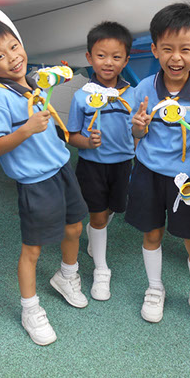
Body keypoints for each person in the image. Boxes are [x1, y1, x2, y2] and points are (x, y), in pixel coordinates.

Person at [0, 19, 89, 346]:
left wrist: (64, 72)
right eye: (0, 56)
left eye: (14, 46)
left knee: (74, 227)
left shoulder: (34, 82)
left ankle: (67, 276)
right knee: (32, 249)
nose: (12, 57)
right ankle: (30, 309)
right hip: (35, 182)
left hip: (62, 168)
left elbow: (58, 77)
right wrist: (26, 129)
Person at [126, 2, 190, 325]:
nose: (176, 57)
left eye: (185, 49)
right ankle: (155, 288)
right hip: (148, 173)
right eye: (167, 49)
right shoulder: (144, 88)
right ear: (154, 49)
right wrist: (139, 127)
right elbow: (136, 133)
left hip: (189, 179)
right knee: (151, 235)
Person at [67, 21, 135, 301]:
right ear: (89, 57)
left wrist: (141, 128)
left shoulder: (133, 94)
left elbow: (139, 133)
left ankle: (97, 232)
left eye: (116, 57)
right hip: (92, 166)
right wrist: (87, 142)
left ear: (126, 60)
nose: (108, 62)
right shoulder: (81, 97)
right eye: (101, 55)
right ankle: (101, 270)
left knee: (111, 210)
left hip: (124, 164)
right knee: (97, 215)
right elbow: (72, 136)